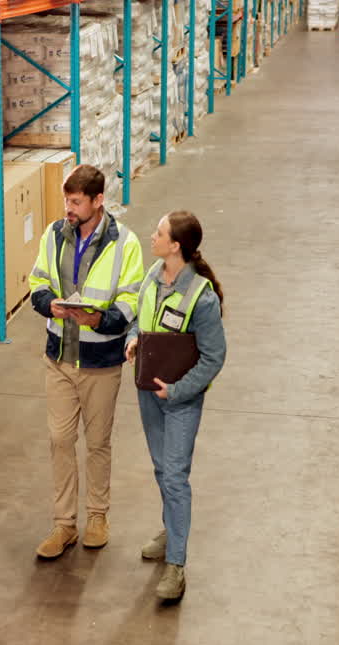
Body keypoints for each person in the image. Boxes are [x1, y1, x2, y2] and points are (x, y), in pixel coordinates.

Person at [28, 165, 146, 559]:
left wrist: (100, 319)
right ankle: (64, 524)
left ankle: (97, 516)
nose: (69, 208)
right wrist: (52, 306)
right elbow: (38, 282)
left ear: (99, 201)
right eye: (67, 200)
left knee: (97, 443)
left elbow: (132, 300)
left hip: (101, 361)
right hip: (60, 355)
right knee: (60, 440)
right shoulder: (53, 234)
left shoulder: (125, 243)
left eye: (76, 202)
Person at [124, 211, 226, 601]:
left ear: (176, 245)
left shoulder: (202, 297)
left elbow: (214, 357)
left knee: (176, 477)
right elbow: (140, 320)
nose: (152, 236)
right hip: (148, 391)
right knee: (161, 468)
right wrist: (134, 339)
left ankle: (177, 565)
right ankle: (171, 529)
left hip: (179, 400)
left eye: (159, 232)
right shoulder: (153, 275)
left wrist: (179, 390)